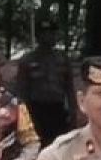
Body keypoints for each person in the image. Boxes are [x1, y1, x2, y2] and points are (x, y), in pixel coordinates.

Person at [15, 19, 75, 148]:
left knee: (59, 147)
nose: (47, 37)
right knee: (36, 146)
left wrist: (74, 111)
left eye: (51, 33)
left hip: (57, 110)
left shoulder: (62, 58)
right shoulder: (27, 60)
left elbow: (70, 88)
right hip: (35, 111)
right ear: (38, 37)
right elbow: (21, 90)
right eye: (44, 34)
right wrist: (22, 116)